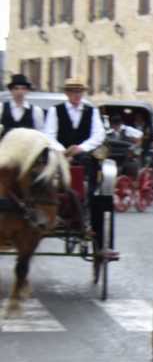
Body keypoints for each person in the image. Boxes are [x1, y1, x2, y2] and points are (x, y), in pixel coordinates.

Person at [43, 76, 107, 248]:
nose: (76, 95)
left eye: (79, 92)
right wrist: (62, 151)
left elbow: (98, 134)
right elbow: (49, 134)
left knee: (86, 173)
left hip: (83, 156)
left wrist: (80, 148)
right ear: (67, 93)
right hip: (60, 155)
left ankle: (85, 210)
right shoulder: (55, 111)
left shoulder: (91, 111)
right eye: (73, 92)